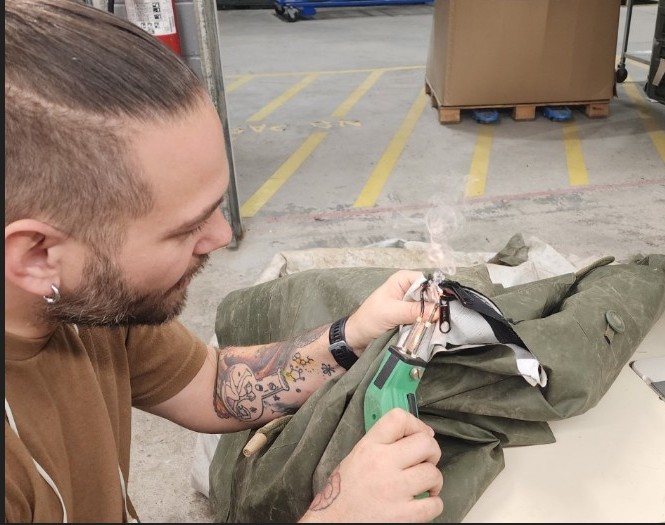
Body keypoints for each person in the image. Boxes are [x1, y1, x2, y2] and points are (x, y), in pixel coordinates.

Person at [4, 0, 444, 522]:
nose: (220, 235)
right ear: (35, 255)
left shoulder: (81, 299)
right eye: (186, 227)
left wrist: (353, 334)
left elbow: (212, 389)